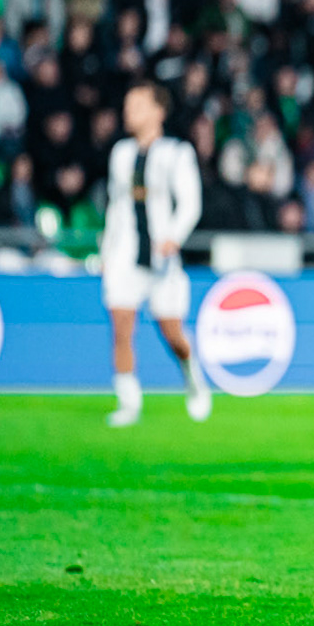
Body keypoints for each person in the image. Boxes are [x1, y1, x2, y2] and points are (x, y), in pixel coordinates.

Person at [100, 82, 212, 427]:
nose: (128, 112)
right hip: (125, 253)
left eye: (137, 105)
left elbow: (191, 203)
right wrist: (107, 249)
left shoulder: (177, 152)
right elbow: (115, 206)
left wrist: (173, 236)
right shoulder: (120, 153)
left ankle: (192, 374)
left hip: (162, 256)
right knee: (121, 326)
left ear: (157, 112)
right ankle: (129, 402)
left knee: (172, 333)